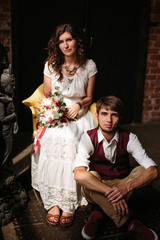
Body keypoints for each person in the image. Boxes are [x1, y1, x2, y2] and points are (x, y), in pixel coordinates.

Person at [31, 23, 97, 227]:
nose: (65, 45)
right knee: (51, 140)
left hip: (79, 112)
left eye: (69, 39)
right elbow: (47, 96)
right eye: (61, 41)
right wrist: (55, 113)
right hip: (56, 112)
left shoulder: (89, 65)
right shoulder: (50, 65)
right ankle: (53, 202)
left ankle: (68, 203)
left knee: (71, 141)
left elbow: (89, 96)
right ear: (56, 44)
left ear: (77, 40)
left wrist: (78, 105)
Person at [74, 95, 159, 240]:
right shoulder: (88, 138)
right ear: (97, 115)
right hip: (98, 187)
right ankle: (130, 224)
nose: (109, 120)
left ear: (120, 117)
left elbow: (153, 171)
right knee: (90, 176)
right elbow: (79, 175)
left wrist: (125, 188)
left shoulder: (129, 137)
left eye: (114, 115)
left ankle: (99, 213)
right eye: (104, 114)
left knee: (143, 171)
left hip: (122, 184)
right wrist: (109, 192)